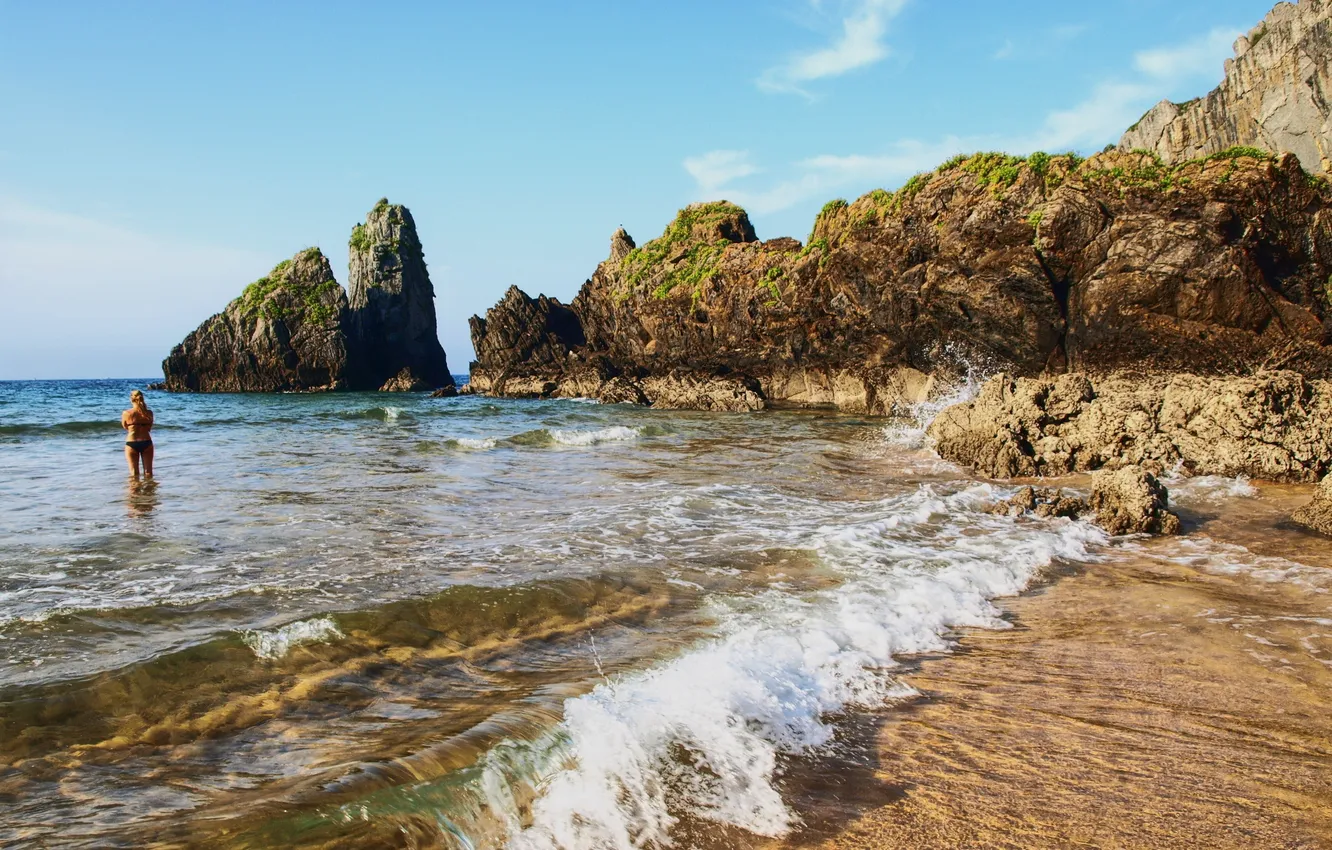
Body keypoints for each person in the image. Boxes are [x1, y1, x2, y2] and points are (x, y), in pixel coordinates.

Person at [121, 389, 155, 480]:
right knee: (148, 472)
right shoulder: (149, 413)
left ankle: (135, 494)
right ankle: (149, 492)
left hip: (132, 443)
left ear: (131, 399)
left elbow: (125, 427)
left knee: (134, 473)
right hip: (147, 442)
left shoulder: (126, 413)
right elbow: (149, 428)